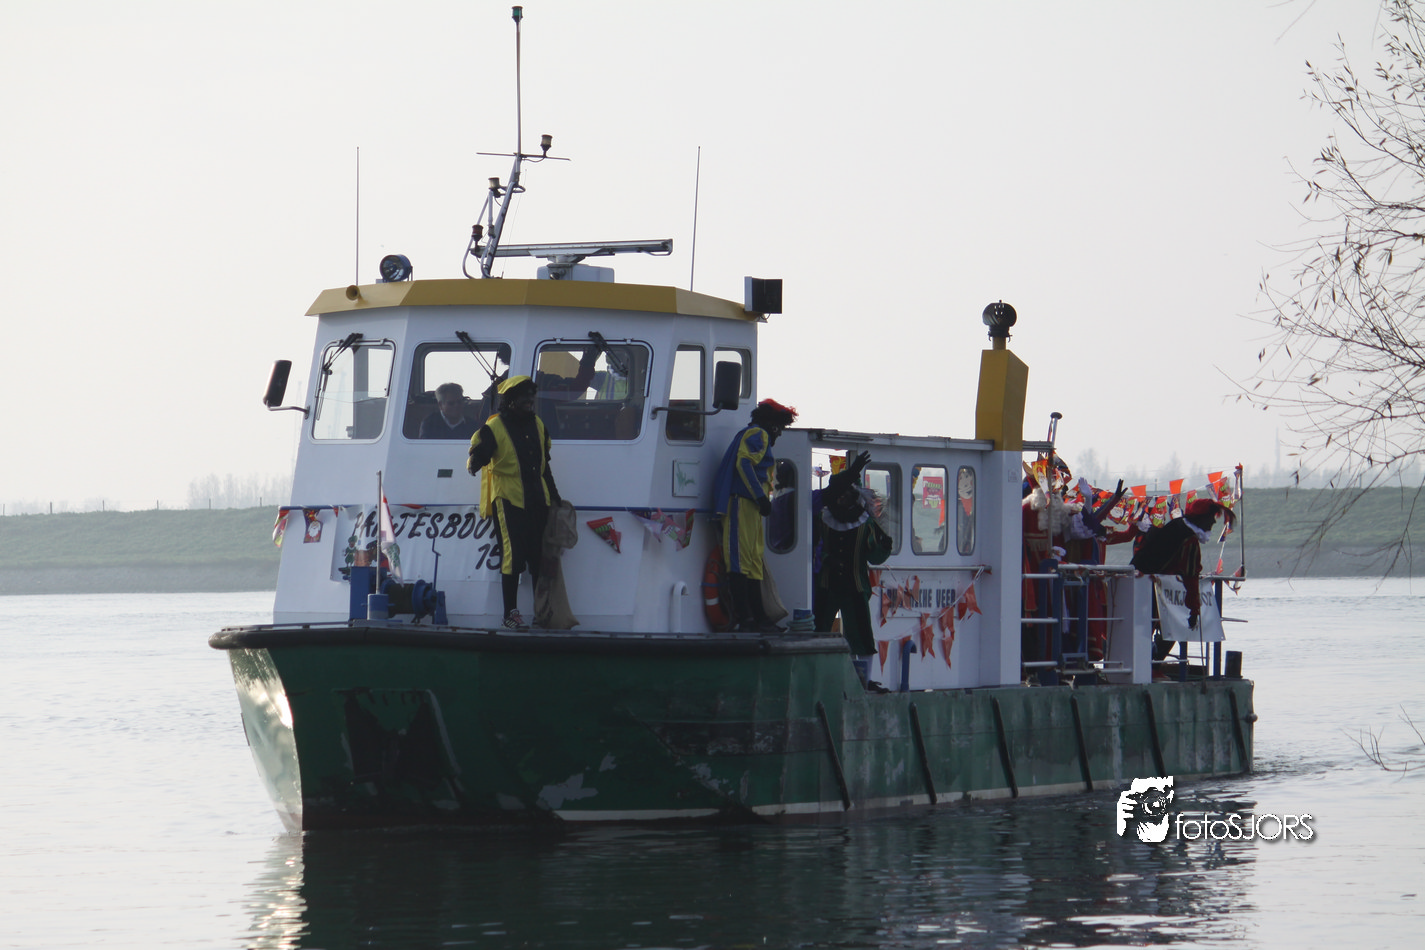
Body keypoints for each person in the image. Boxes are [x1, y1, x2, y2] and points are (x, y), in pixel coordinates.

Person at [467, 375, 561, 629]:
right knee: (513, 557)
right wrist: (476, 461)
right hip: (509, 500)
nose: (529, 400)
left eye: (531, 396)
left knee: (539, 559)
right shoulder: (494, 427)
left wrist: (555, 497)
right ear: (510, 400)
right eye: (524, 396)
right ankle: (510, 614)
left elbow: (544, 467)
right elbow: (478, 456)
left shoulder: (538, 425)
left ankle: (541, 613)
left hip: (538, 499)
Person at [712, 398, 798, 632]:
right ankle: (746, 619)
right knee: (740, 561)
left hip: (751, 506)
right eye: (780, 428)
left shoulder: (756, 434)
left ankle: (760, 619)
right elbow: (745, 464)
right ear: (773, 425)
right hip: (742, 503)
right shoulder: (758, 434)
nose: (780, 433)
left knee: (752, 562)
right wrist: (760, 497)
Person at [814, 451, 892, 681]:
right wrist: (827, 559)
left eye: (846, 493)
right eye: (839, 493)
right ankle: (817, 676)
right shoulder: (822, 519)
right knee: (818, 630)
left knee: (861, 636)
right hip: (827, 586)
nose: (841, 497)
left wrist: (885, 547)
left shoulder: (865, 524)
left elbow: (875, 556)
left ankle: (862, 682)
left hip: (855, 587)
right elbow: (813, 549)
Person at [1130, 498, 1233, 630]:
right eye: (1211, 517)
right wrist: (1194, 610)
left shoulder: (1175, 525)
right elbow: (1191, 576)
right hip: (1149, 587)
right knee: (1149, 627)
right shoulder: (1189, 540)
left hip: (1136, 580)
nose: (1213, 521)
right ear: (1201, 518)